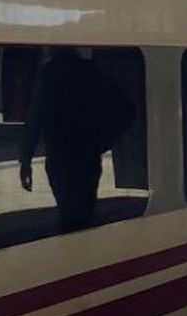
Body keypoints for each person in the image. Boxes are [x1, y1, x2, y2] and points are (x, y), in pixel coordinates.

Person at [19, 46, 136, 233]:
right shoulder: (91, 72)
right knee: (84, 213)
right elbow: (127, 111)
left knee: (67, 214)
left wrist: (25, 161)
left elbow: (34, 120)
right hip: (87, 158)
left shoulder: (49, 76)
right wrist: (103, 142)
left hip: (59, 158)